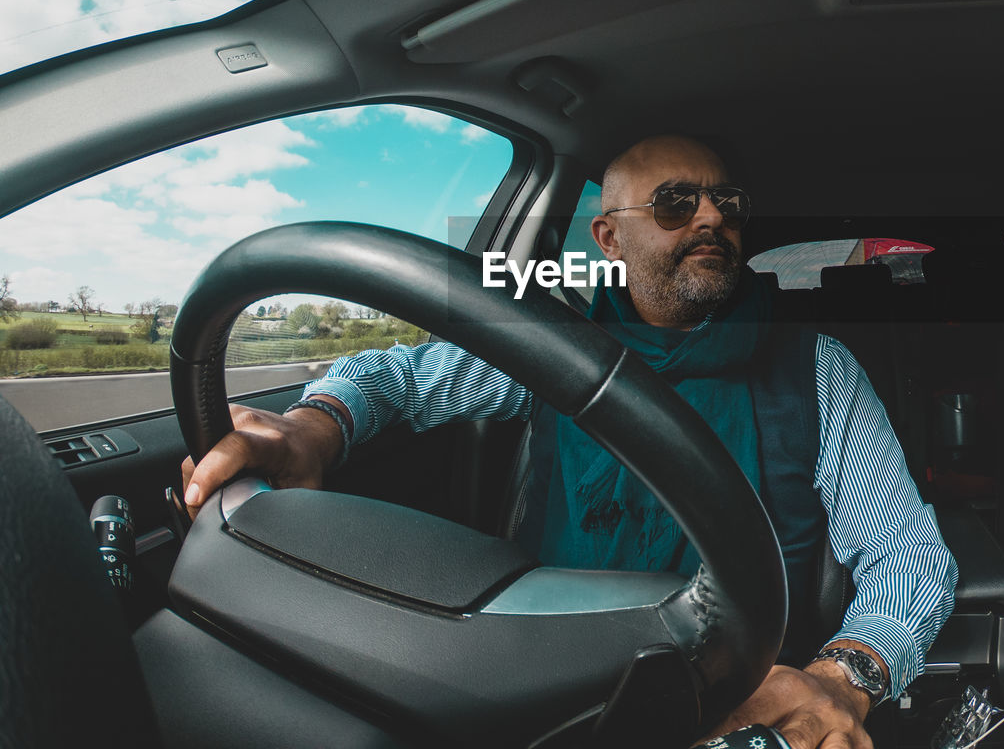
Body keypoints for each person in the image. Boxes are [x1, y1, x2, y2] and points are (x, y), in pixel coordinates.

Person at [181, 134, 957, 749]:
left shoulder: (817, 369)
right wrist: (313, 429)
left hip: (748, 703)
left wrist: (838, 679)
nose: (712, 218)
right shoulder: (557, 350)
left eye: (727, 202)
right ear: (609, 238)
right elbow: (402, 379)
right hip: (549, 686)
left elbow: (910, 556)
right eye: (677, 203)